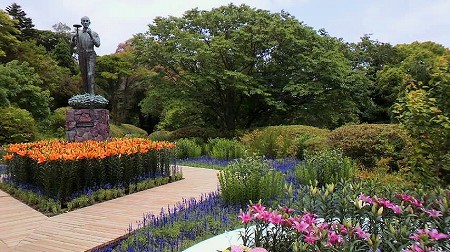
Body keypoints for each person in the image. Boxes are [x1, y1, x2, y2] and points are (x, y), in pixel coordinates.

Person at [71, 16, 100, 95]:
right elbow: (72, 45)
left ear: (89, 22)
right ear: (81, 23)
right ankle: (86, 94)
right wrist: (73, 39)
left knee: (90, 74)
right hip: (81, 55)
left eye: (87, 21)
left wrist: (90, 35)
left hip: (90, 54)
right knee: (84, 75)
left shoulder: (94, 33)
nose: (85, 22)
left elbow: (97, 44)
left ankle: (92, 95)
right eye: (84, 21)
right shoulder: (78, 34)